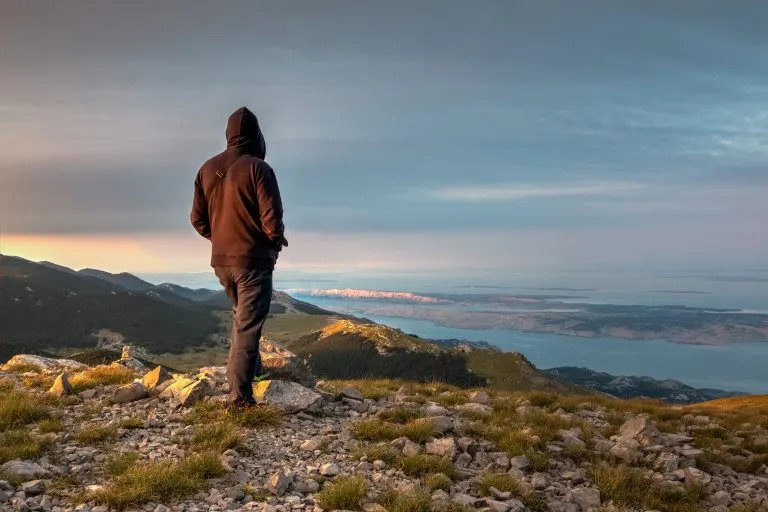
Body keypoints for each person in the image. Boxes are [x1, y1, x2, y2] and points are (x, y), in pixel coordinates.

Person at [190, 106, 287, 407]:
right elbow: (272, 220)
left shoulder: (207, 168)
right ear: (256, 135)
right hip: (253, 262)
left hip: (221, 262)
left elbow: (197, 219)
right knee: (247, 324)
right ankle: (239, 399)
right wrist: (274, 240)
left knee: (242, 319)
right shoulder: (259, 168)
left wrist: (220, 240)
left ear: (229, 135)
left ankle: (252, 373)